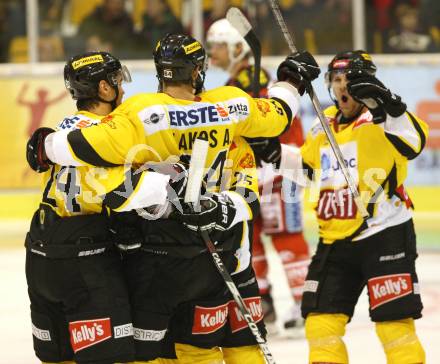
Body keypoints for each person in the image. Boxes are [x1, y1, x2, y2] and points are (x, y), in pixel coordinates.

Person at [28, 33, 320, 362]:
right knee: (202, 349)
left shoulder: (137, 113)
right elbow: (279, 114)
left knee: (151, 352)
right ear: (197, 71)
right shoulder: (231, 105)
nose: (122, 88)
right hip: (212, 248)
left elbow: (82, 149)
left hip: (132, 252)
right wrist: (291, 81)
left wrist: (44, 146)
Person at [277, 50, 428, 364]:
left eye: (349, 79)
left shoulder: (385, 119)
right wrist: (270, 150)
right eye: (336, 79)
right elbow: (304, 169)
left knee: (393, 327)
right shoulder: (323, 127)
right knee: (320, 324)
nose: (341, 86)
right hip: (335, 241)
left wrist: (383, 101)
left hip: (385, 234)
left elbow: (414, 143)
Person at [24, 51, 167, 364]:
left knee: (59, 358)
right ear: (104, 89)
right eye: (118, 82)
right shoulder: (106, 135)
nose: (123, 89)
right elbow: (122, 192)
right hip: (85, 263)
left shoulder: (63, 128)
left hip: (40, 255)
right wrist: (173, 183)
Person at [207, 18, 311, 332]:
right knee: (250, 238)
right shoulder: (235, 84)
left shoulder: (255, 80)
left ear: (239, 48)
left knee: (286, 238)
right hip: (253, 174)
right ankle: (263, 300)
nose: (213, 52)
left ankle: (305, 303)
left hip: (280, 171)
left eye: (218, 46)